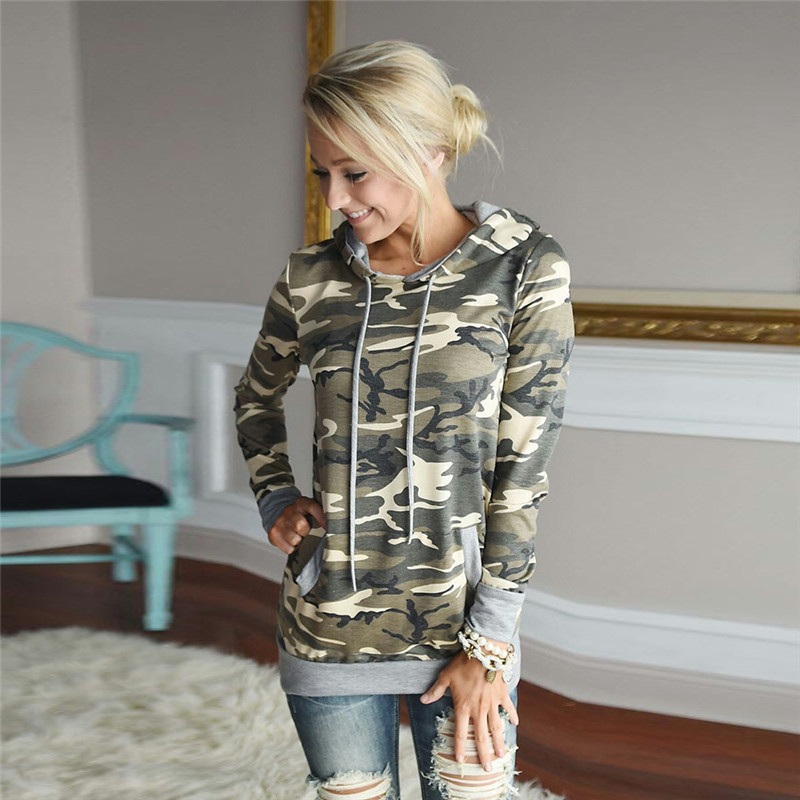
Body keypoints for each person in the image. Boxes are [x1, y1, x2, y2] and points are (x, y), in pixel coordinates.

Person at [233, 40, 574, 800]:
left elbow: (524, 467)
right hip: (327, 622)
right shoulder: (310, 277)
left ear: (431, 153)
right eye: (322, 172)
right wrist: (275, 494)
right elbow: (255, 396)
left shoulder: (523, 266)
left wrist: (490, 642)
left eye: (354, 172)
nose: (335, 198)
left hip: (462, 626)